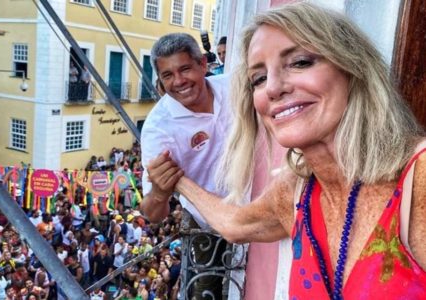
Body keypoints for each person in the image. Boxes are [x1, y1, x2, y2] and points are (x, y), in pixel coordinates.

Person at [149, 3, 426, 299]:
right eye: (258, 79)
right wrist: (178, 181)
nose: (273, 88)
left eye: (300, 62)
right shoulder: (298, 191)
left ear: (352, 66)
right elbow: (236, 224)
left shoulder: (418, 181)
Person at [140, 32, 232, 299]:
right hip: (207, 222)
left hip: (256, 202)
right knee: (205, 291)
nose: (178, 81)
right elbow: (152, 213)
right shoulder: (158, 129)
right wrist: (159, 192)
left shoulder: (234, 86)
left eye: (185, 69)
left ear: (203, 64)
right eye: (167, 75)